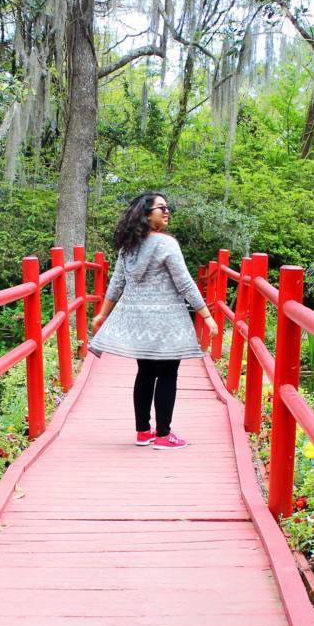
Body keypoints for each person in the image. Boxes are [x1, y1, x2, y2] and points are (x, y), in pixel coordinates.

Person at [88, 191, 218, 449]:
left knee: (145, 372)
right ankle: (163, 435)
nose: (167, 211)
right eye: (161, 208)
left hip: (139, 321)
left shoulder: (129, 247)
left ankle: (143, 432)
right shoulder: (167, 244)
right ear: (146, 214)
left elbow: (117, 283)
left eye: (168, 207)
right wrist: (207, 315)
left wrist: (103, 313)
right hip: (167, 321)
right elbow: (185, 284)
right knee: (168, 374)